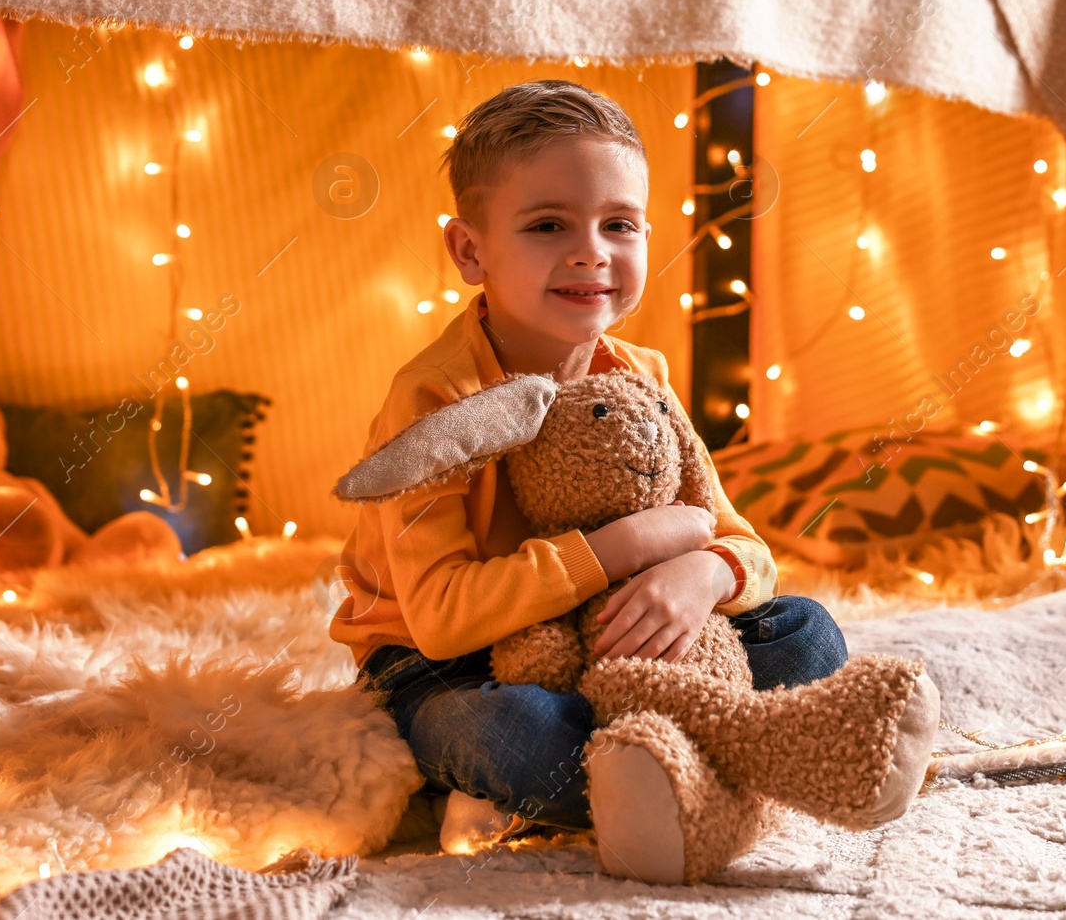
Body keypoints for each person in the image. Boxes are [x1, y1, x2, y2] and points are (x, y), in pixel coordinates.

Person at [328, 79, 849, 860]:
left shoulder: (642, 373)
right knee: (506, 734)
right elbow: (439, 615)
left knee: (809, 639)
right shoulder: (433, 399)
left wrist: (701, 575)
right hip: (446, 663)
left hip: (610, 637)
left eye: (619, 224)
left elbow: (746, 545)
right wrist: (624, 547)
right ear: (471, 250)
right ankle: (706, 770)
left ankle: (649, 772)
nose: (590, 252)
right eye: (547, 225)